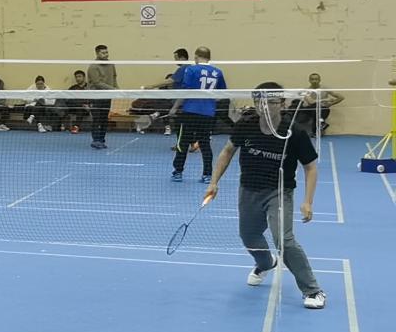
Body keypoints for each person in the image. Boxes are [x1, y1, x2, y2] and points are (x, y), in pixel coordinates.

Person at [205, 84, 326, 309]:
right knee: (249, 236)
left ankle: (313, 290)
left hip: (278, 192)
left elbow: (310, 167)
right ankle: (266, 263)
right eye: (261, 102)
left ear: (282, 104)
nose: (266, 106)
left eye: (271, 102)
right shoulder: (246, 125)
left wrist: (308, 201)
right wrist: (214, 182)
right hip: (248, 190)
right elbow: (227, 151)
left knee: (284, 241)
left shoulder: (294, 132)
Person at [172, 45, 227, 182]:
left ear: (196, 57)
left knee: (183, 143)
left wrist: (175, 107)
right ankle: (207, 175)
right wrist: (209, 101)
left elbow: (185, 91)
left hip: (190, 112)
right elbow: (222, 94)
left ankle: (178, 172)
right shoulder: (218, 72)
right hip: (208, 114)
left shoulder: (191, 69)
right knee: (205, 144)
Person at [132, 48, 192, 134]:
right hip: (184, 100)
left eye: (176, 58)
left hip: (180, 100)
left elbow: (170, 81)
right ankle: (157, 115)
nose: (175, 61)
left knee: (164, 106)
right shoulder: (191, 68)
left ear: (182, 58)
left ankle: (156, 115)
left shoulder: (184, 68)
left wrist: (151, 86)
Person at [85, 44, 119, 149]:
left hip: (107, 96)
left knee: (104, 118)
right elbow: (97, 83)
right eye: (103, 53)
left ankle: (102, 140)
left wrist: (118, 89)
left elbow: (114, 77)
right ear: (97, 53)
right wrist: (112, 89)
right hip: (96, 96)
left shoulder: (111, 65)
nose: (106, 54)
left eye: (106, 52)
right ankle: (95, 140)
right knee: (97, 119)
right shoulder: (93, 67)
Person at [63, 69, 90, 134]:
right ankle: (62, 125)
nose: (78, 78)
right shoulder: (73, 88)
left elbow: (92, 98)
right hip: (74, 107)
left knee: (80, 109)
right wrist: (81, 104)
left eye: (79, 76)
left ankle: (76, 127)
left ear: (84, 77)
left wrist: (89, 106)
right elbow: (68, 100)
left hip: (85, 109)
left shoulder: (89, 87)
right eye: (76, 77)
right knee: (64, 103)